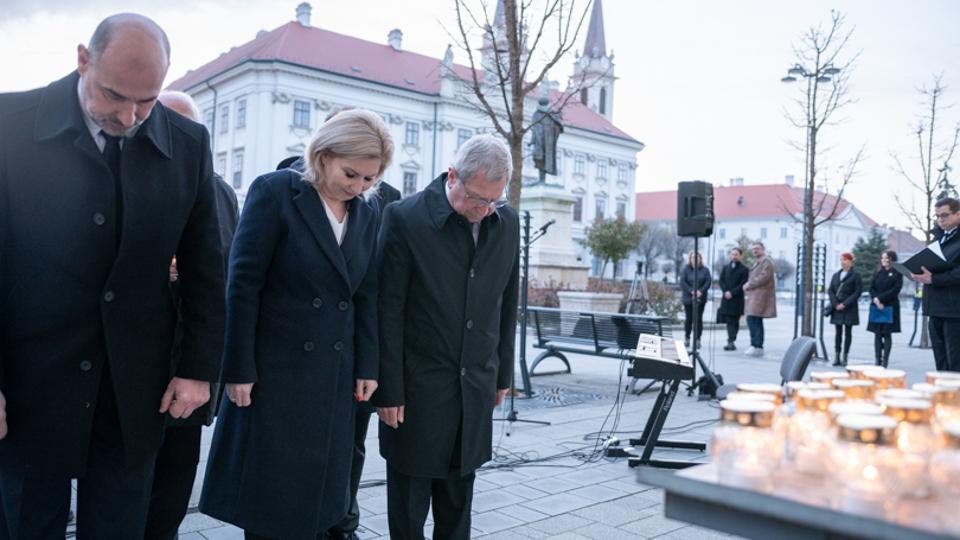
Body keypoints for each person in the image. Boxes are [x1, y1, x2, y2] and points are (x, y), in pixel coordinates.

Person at [0, 14, 226, 537]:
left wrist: (198, 370)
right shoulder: (9, 124)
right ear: (83, 59)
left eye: (147, 101)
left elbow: (205, 266)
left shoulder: (188, 143)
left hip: (133, 390)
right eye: (114, 95)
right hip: (29, 380)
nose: (129, 116)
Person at [199, 109, 390, 539]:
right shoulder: (275, 192)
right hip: (275, 376)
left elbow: (365, 293)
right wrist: (238, 369)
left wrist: (368, 366)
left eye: (369, 178)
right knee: (271, 504)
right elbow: (242, 285)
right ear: (323, 155)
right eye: (351, 174)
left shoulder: (367, 212)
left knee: (319, 504)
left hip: (334, 377)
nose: (358, 187)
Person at [373, 134, 519, 540]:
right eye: (476, 198)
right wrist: (388, 390)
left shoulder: (506, 221)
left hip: (474, 387)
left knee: (458, 508)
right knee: (408, 510)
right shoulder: (404, 218)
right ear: (453, 176)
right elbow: (388, 311)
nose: (484, 210)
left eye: (493, 201)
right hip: (416, 389)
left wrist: (502, 375)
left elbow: (508, 301)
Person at [144, 91, 239, 540]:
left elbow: (223, 268)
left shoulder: (218, 191)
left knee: (177, 469)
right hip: (139, 353)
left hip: (190, 353)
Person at [914, 197, 960, 372]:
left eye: (945, 215)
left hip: (955, 312)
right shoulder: (937, 239)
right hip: (935, 308)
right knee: (941, 364)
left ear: (958, 214)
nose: (940, 219)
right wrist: (918, 273)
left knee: (955, 365)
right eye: (937, 216)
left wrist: (934, 279)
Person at [867, 250, 903, 367]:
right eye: (883, 258)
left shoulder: (897, 273)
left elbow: (895, 289)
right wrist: (876, 300)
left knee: (887, 334)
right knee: (877, 334)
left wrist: (881, 299)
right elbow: (871, 288)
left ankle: (885, 360)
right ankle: (877, 359)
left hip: (890, 306)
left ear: (892, 259)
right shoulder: (878, 272)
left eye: (887, 258)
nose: (884, 260)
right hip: (876, 306)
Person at [827, 252, 863, 367]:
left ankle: (845, 357)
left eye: (845, 260)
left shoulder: (855, 275)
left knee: (848, 333)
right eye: (841, 260)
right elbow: (831, 290)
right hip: (837, 308)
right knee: (838, 333)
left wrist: (845, 304)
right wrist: (836, 304)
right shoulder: (836, 275)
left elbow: (857, 292)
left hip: (849, 309)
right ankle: (837, 356)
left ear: (851, 261)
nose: (842, 262)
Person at [742, 241, 776, 357]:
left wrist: (749, 284)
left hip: (761, 296)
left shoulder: (766, 261)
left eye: (757, 248)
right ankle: (754, 345)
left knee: (754, 320)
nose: (755, 251)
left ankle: (757, 346)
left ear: (763, 249)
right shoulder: (757, 262)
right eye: (753, 249)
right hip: (755, 295)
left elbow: (764, 277)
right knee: (753, 319)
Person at [716, 247, 749, 351]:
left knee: (735, 321)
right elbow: (721, 281)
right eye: (732, 254)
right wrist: (725, 291)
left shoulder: (744, 269)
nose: (734, 256)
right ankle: (730, 341)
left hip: (737, 299)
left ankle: (732, 339)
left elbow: (743, 284)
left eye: (736, 254)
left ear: (740, 256)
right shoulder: (726, 267)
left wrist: (732, 293)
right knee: (729, 320)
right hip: (726, 299)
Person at [680, 251, 711, 349]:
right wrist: (691, 291)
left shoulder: (705, 270)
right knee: (689, 319)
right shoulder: (685, 269)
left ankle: (698, 339)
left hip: (701, 298)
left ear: (700, 259)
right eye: (693, 257)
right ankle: (687, 338)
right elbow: (683, 282)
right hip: (688, 298)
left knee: (698, 319)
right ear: (690, 258)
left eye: (697, 257)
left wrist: (700, 291)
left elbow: (708, 282)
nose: (695, 259)